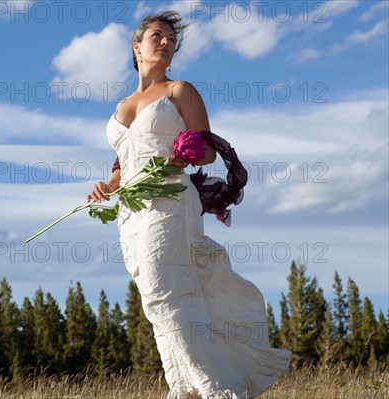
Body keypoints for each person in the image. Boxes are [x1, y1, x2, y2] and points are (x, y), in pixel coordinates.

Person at [87, 11, 291, 399]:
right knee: (154, 302)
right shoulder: (121, 105)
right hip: (130, 212)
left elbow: (207, 151)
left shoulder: (179, 91)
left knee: (167, 295)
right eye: (157, 36)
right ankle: (182, 391)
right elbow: (124, 164)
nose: (166, 43)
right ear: (137, 47)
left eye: (171, 39)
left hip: (169, 202)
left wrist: (182, 157)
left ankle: (219, 391)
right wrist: (106, 186)